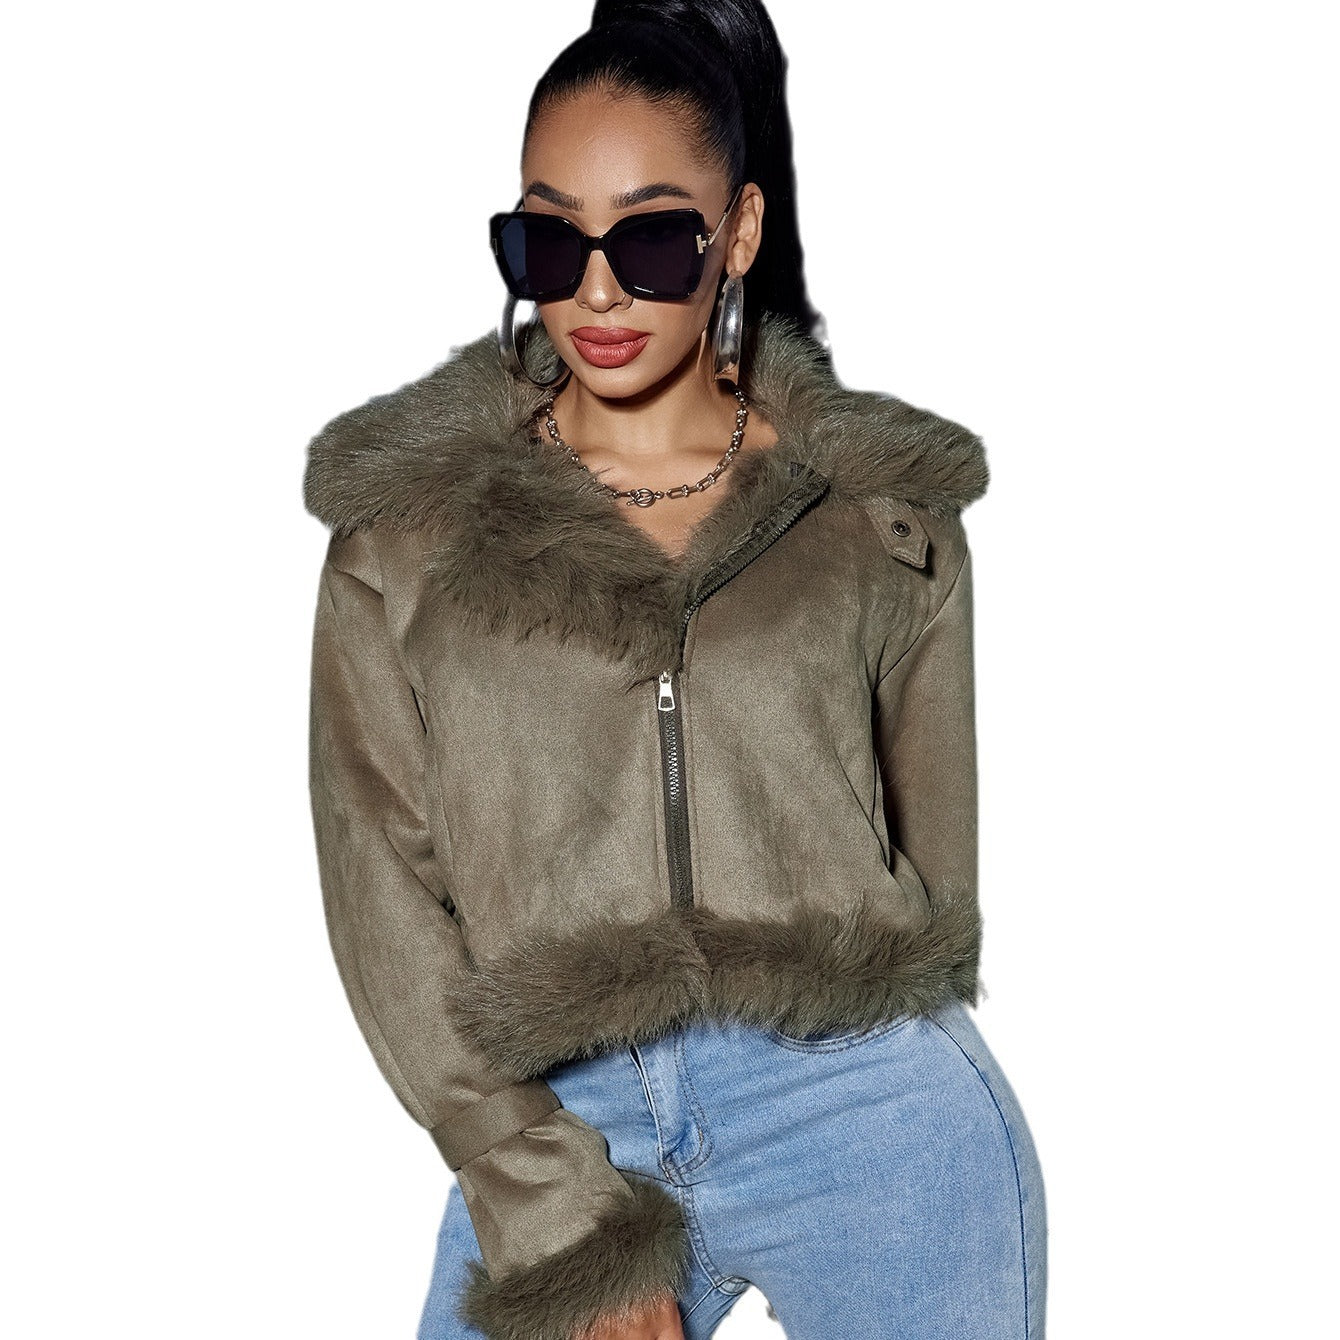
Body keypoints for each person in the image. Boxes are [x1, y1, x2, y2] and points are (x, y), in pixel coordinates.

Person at [301, 2, 1048, 1337]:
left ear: (737, 233)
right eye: (550, 242)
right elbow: (384, 898)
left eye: (651, 240)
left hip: (873, 1119)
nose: (596, 292)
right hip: (559, 1120)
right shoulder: (404, 538)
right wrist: (541, 1198)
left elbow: (936, 872)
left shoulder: (881, 515)